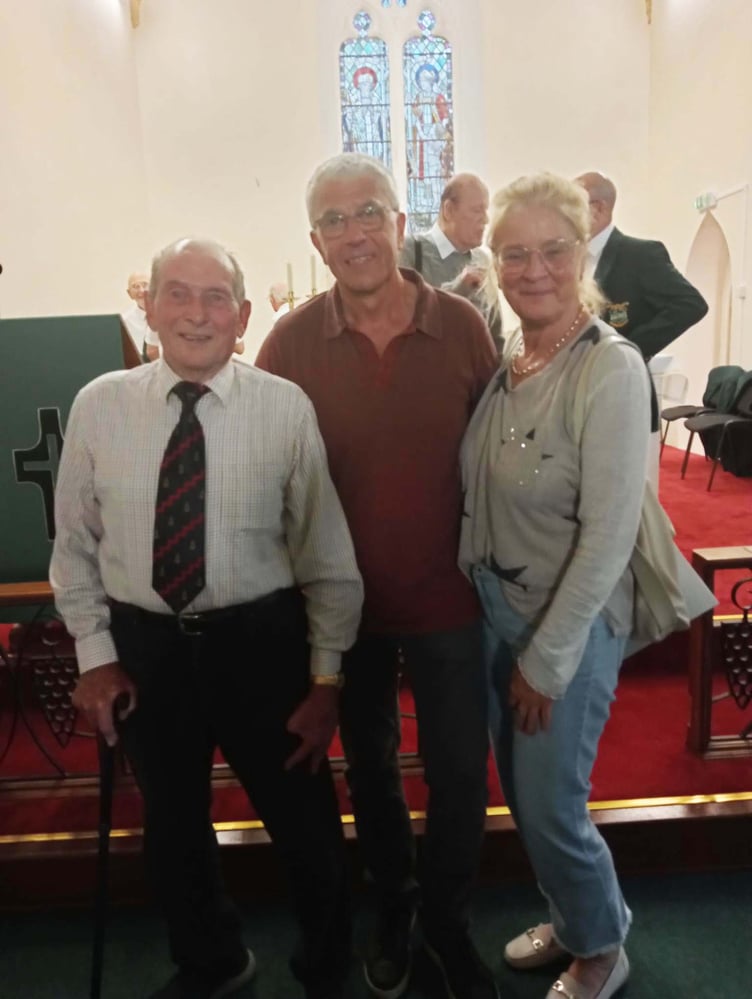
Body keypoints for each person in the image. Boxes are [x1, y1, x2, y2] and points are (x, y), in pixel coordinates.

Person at [50, 237, 364, 999]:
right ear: (149, 307)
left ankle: (328, 966)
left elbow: (327, 557)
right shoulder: (100, 405)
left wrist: (326, 682)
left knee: (307, 825)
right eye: (178, 294)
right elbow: (75, 546)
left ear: (245, 315)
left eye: (216, 296)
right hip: (146, 649)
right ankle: (212, 961)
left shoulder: (283, 407)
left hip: (262, 645)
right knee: (174, 828)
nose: (197, 313)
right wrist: (96, 654)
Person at [256, 153, 499, 999]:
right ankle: (394, 905)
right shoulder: (287, 344)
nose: (353, 232)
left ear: (401, 223)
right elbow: (264, 474)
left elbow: (503, 456)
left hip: (449, 598)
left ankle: (447, 919)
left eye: (369, 212)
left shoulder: (465, 326)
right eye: (333, 219)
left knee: (463, 769)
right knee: (369, 768)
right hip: (341, 613)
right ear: (315, 243)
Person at [459, 173, 651, 999]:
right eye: (515, 253)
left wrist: (548, 658)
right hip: (500, 611)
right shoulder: (513, 353)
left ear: (584, 251)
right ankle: (577, 919)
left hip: (565, 624)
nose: (533, 268)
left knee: (549, 805)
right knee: (524, 791)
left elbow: (609, 534)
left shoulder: (609, 368)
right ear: (495, 261)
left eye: (552, 250)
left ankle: (602, 946)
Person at [576, 171, 708, 360]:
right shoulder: (571, 256)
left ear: (597, 209)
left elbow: (690, 305)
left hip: (619, 375)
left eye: (572, 207)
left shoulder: (640, 255)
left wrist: (628, 347)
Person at [400, 173, 503, 354]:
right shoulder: (410, 251)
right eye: (477, 210)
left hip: (478, 379)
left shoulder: (483, 260)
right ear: (448, 210)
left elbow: (495, 332)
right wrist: (457, 290)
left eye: (485, 211)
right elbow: (400, 318)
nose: (486, 220)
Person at [343, 66, 389, 163]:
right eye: (362, 84)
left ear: (373, 85)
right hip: (359, 141)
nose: (365, 87)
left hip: (375, 139)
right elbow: (348, 127)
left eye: (368, 83)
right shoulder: (354, 105)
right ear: (358, 86)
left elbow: (383, 128)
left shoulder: (378, 104)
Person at [122, 271, 160, 360]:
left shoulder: (169, 315)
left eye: (145, 285)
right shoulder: (125, 321)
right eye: (136, 287)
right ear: (129, 293)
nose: (141, 291)